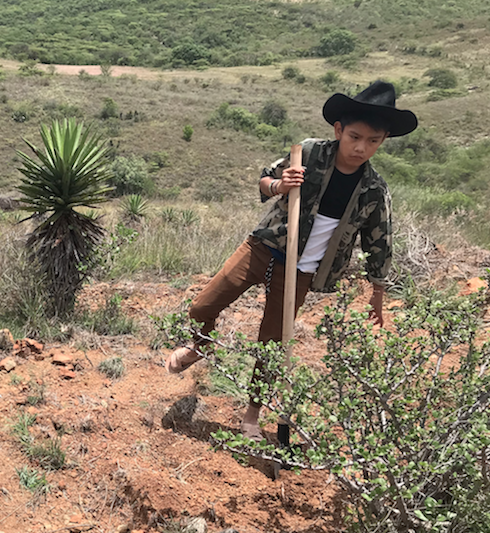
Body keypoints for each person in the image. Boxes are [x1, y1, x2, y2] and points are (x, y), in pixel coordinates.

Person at [164, 81, 417, 438]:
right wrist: (280, 186)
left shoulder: (373, 190)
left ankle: (252, 415)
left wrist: (377, 292)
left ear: (383, 140)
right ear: (339, 130)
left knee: (271, 345)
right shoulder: (308, 154)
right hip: (261, 248)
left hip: (301, 271)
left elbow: (379, 241)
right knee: (203, 305)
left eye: (373, 141)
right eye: (355, 137)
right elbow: (265, 180)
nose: (361, 148)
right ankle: (200, 345)